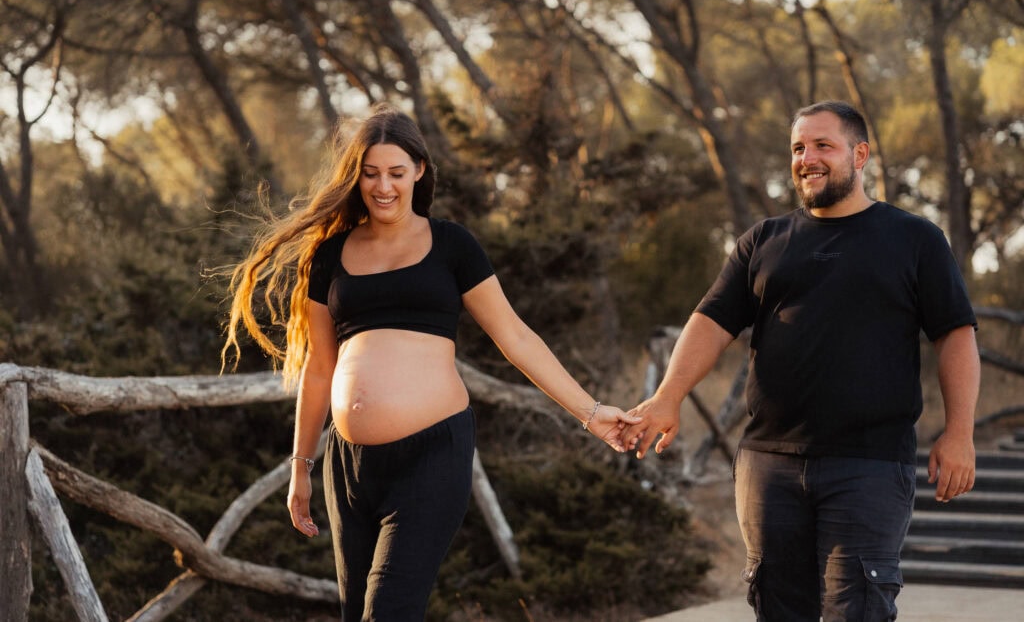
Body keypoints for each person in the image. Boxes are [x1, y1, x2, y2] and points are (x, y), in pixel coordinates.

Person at [222, 103, 638, 619]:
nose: (383, 187)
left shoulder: (452, 246)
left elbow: (516, 338)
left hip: (431, 456)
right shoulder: (329, 255)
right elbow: (319, 368)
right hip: (348, 467)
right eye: (369, 174)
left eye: (396, 173)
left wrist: (591, 414)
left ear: (419, 170)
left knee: (388, 612)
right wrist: (301, 467)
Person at [624, 100, 980, 621]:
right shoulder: (763, 241)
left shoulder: (914, 239)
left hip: (870, 465)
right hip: (769, 465)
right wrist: (667, 396)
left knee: (858, 609)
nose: (806, 158)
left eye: (822, 145)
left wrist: (960, 432)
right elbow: (711, 322)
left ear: (859, 155)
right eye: (797, 148)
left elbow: (955, 335)